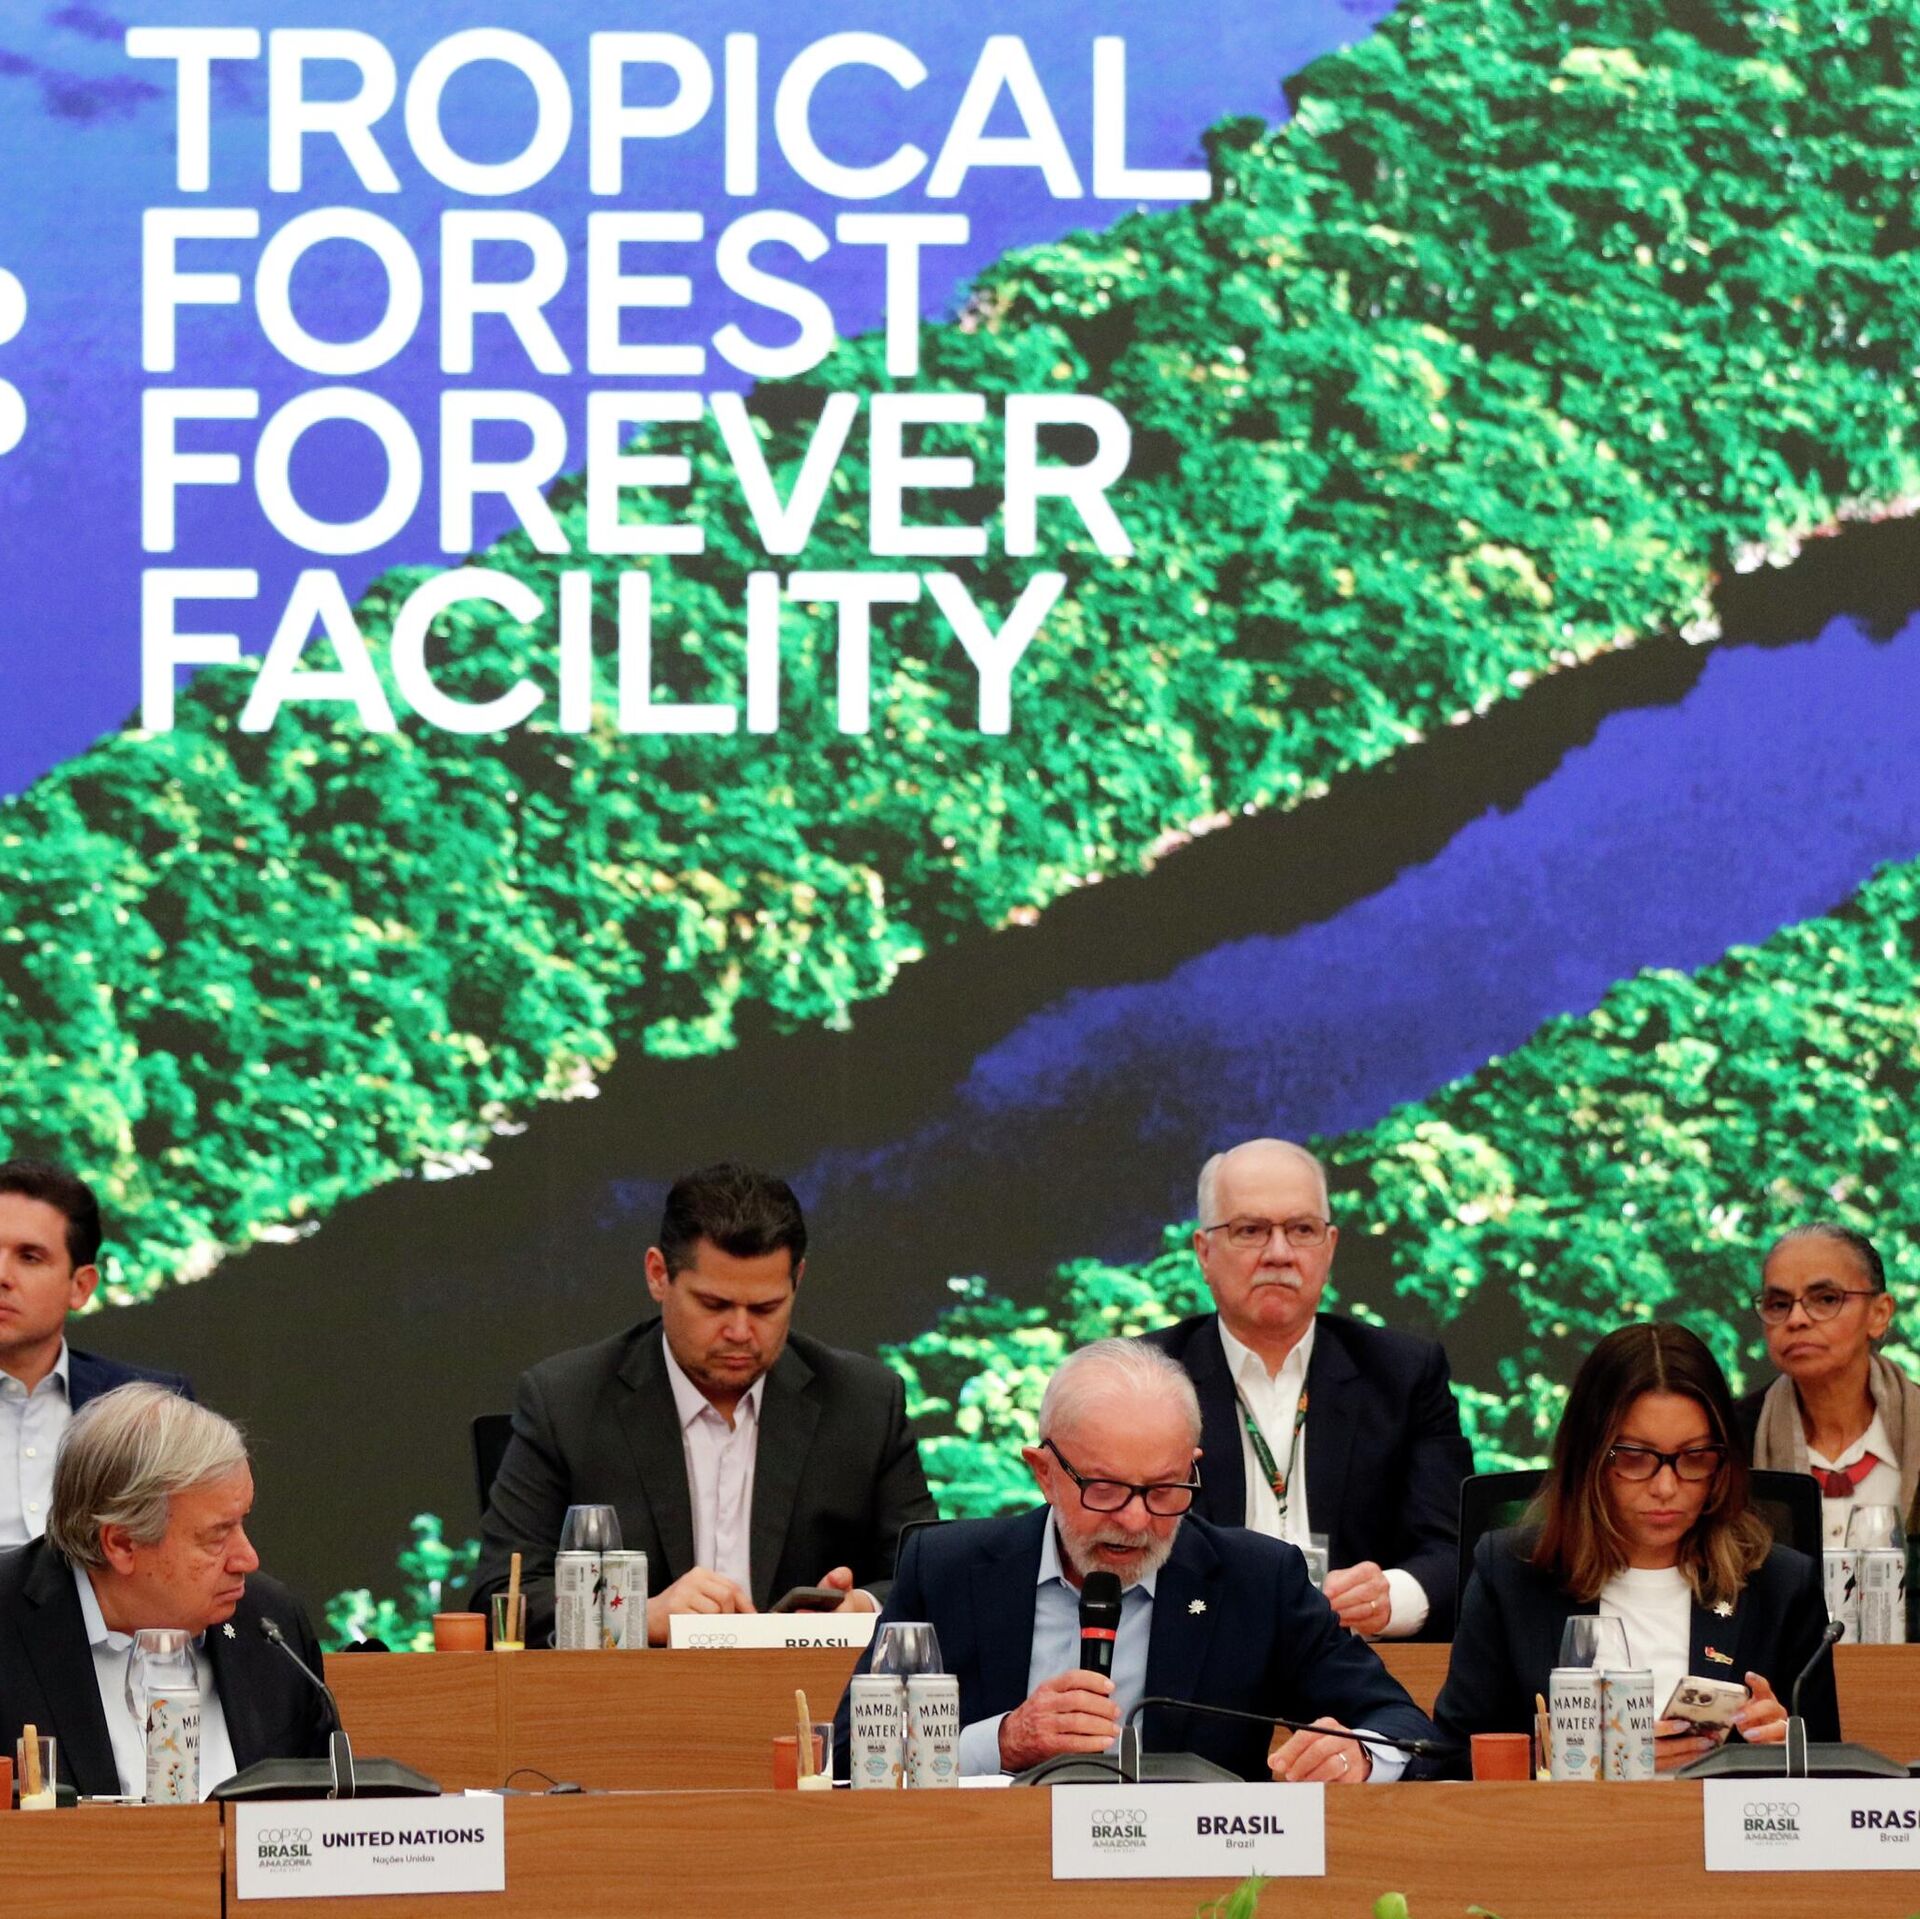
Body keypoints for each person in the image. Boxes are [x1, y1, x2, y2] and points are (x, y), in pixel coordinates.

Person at [839, 1339, 1440, 1782]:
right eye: (1104, 1489)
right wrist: (1002, 1741)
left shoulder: (1257, 1581)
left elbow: (1409, 1730)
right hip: (987, 1871)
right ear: (1044, 1472)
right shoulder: (946, 1568)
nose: (1134, 1521)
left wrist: (1359, 1755)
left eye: (1163, 1490)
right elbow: (848, 1754)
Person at [471, 1162, 935, 1645]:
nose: (740, 1331)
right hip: (637, 1690)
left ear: (797, 1279)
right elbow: (501, 1595)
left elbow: (928, 1577)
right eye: (714, 1305)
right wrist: (635, 1616)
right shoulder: (567, 1401)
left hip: (807, 1689)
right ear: (658, 1276)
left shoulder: (864, 1403)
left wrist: (862, 1610)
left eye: (766, 1308)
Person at [1434, 1324, 1838, 1775]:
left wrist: (1786, 1749)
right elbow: (1448, 1761)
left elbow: (1835, 1776)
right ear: (1589, 1458)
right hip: (1561, 1822)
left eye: (1695, 1457)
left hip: (1717, 1821)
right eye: (1634, 1457)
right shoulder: (1511, 1574)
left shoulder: (1781, 1585)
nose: (1666, 1487)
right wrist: (1588, 1761)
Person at [1140, 1138, 1473, 1639]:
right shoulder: (1145, 1376)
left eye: (1301, 1230)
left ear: (1330, 1246)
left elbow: (1454, 1547)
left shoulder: (1403, 1373)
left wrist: (1389, 1597)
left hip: (1355, 1658)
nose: (1279, 1254)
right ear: (1204, 1252)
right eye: (1251, 1230)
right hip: (1195, 1651)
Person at [0, 1382, 332, 1797]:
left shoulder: (270, 1624)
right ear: (122, 1544)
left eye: (241, 1522)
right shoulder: (9, 1622)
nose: (248, 1559)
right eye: (216, 1536)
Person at [0, 1158, 193, 1547]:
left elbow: (188, 1550)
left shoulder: (151, 1409)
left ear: (81, 1287)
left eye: (30, 1257)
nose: (2, 1275)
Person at [1736, 1224, 1920, 1547]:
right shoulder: (1732, 1437)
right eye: (1778, 1304)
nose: (1796, 1319)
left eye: (1826, 1299)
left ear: (1879, 1314)